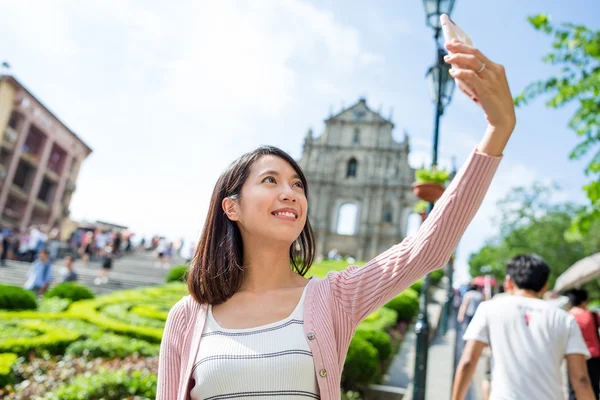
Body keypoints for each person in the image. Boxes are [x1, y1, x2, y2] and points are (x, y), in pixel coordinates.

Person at [157, 39, 515, 399]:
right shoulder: (189, 316)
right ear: (231, 207)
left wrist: (496, 130)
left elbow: (426, 249)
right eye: (271, 180)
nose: (291, 192)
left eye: (298, 184)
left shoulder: (332, 299)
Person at [452, 255, 595, 400]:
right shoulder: (564, 318)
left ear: (508, 281)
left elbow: (468, 362)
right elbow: (581, 379)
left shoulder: (489, 309)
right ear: (545, 286)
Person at [567, 289, 600, 399]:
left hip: (574, 357)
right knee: (594, 388)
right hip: (594, 356)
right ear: (584, 301)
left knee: (574, 389)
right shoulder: (593, 316)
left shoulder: (566, 317)